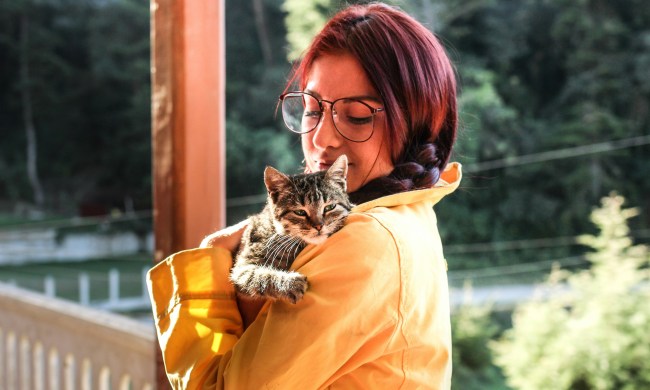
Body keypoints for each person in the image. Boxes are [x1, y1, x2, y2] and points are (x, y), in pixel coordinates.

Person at [147, 2, 462, 389]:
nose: (320, 140)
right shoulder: (410, 214)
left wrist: (207, 266)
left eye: (358, 115)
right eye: (312, 110)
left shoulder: (367, 241)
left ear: (416, 124)